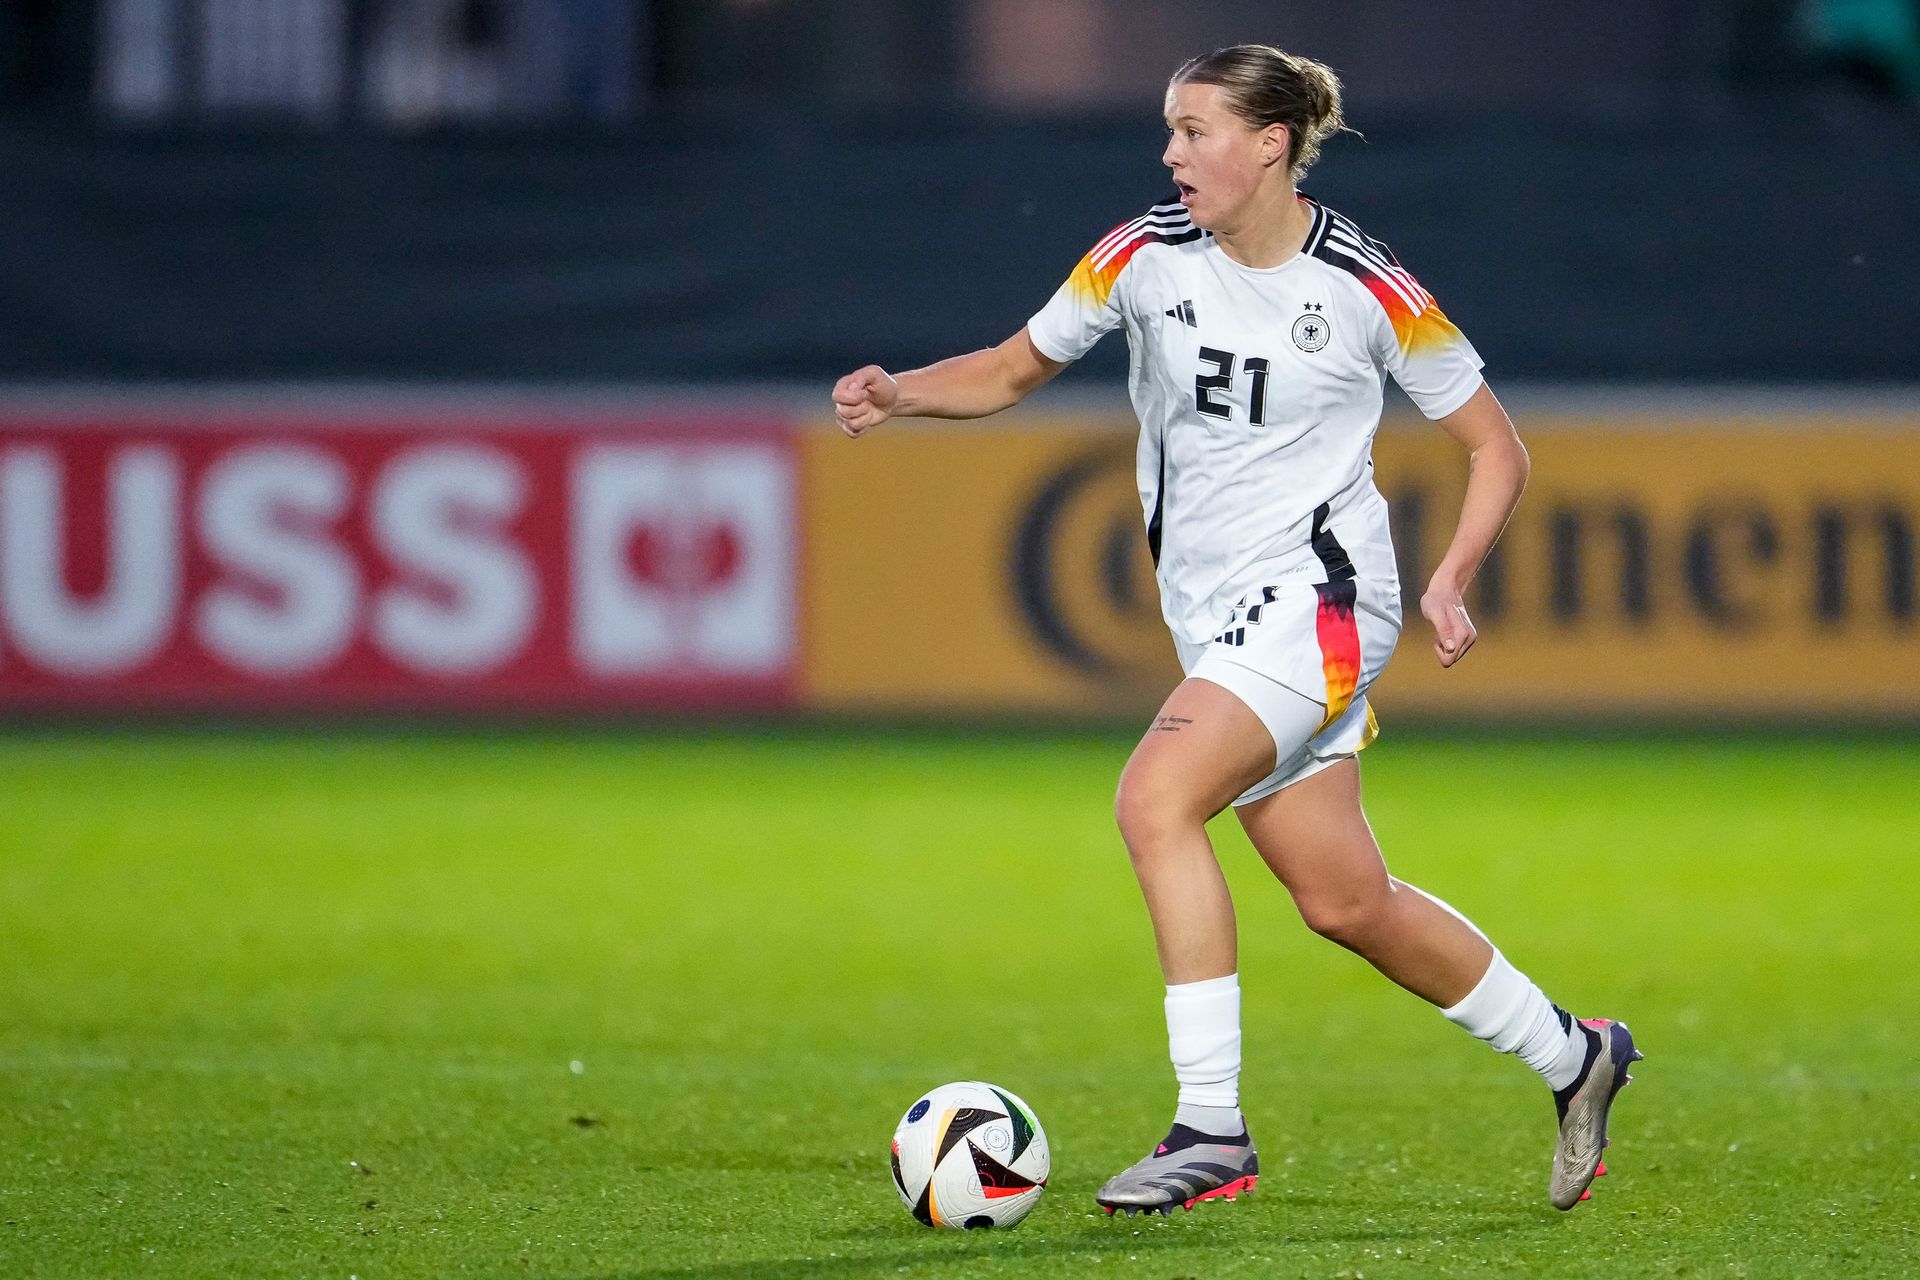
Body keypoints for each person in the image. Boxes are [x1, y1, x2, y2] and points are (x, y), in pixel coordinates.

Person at [831, 44, 1640, 1218]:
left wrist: (1453, 575)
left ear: (1270, 144)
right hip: (1217, 622)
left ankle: (1210, 1124)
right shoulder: (1140, 256)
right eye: (1169, 129)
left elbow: (1495, 445)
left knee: (1154, 797)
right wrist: (902, 390)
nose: (1171, 153)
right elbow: (1010, 370)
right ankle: (1577, 1054)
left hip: (1321, 601)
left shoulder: (1364, 284)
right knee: (1345, 901)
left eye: (1196, 130)